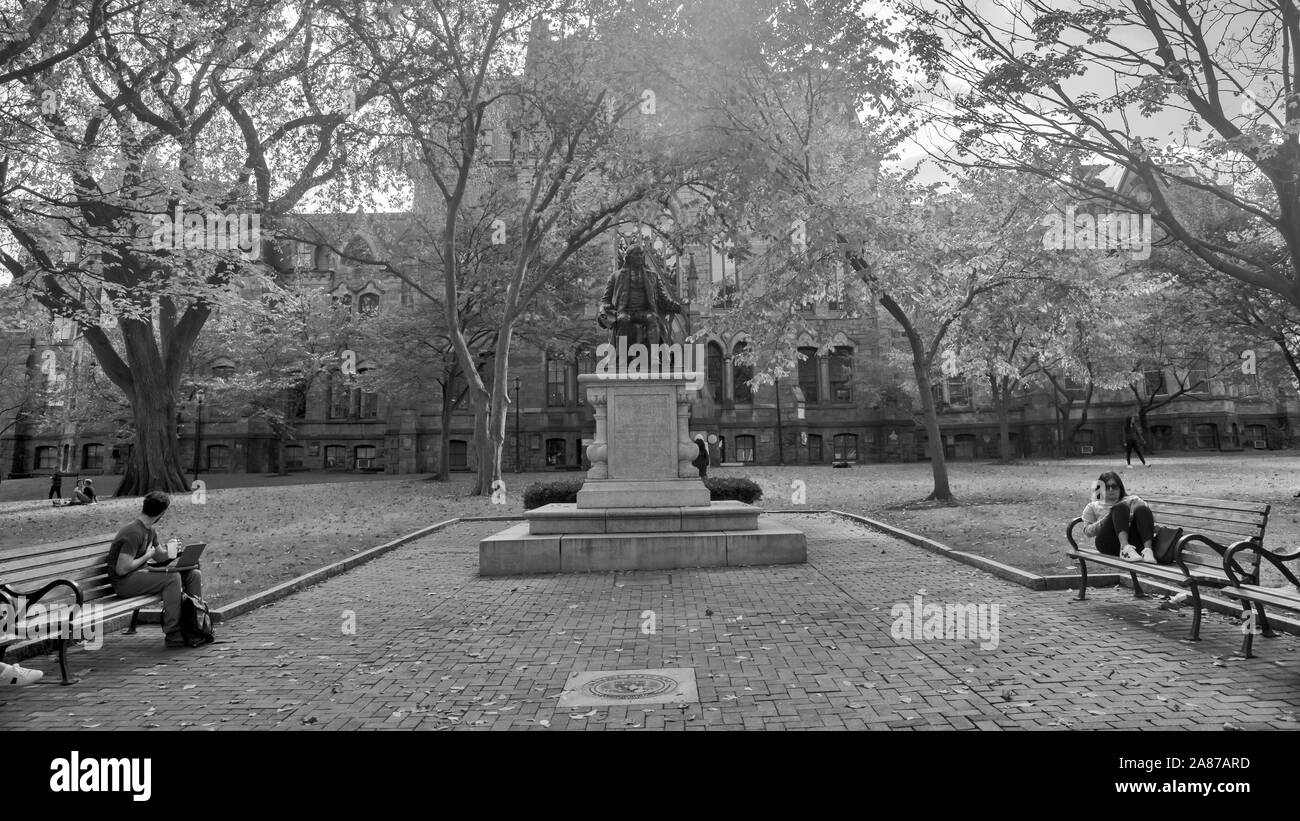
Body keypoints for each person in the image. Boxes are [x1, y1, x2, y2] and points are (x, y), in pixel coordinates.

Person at [106, 491, 204, 648]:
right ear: (162, 513)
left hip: (140, 576)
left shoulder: (149, 530)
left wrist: (173, 550)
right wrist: (147, 556)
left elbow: (159, 557)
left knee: (193, 574)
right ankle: (173, 633)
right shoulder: (133, 532)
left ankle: (196, 626)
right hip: (124, 583)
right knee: (172, 579)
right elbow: (122, 569)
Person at [597, 244, 683, 347]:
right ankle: (621, 358)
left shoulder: (652, 276)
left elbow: (662, 299)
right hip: (624, 312)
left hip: (645, 312)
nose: (640, 257)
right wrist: (605, 308)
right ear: (628, 258)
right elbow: (605, 299)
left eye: (641, 254)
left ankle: (655, 358)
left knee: (653, 318)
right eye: (636, 254)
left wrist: (675, 306)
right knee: (623, 319)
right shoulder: (615, 276)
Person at [1080, 471, 1156, 562]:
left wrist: (1129, 517)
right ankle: (1125, 548)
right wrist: (1110, 517)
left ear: (1120, 488)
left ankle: (1148, 551)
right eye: (1107, 487)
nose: (1111, 490)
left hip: (1135, 544)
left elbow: (1146, 520)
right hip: (1108, 543)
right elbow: (1088, 532)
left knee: (1142, 509)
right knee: (1120, 507)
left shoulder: (1133, 500)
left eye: (1114, 486)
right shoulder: (1092, 506)